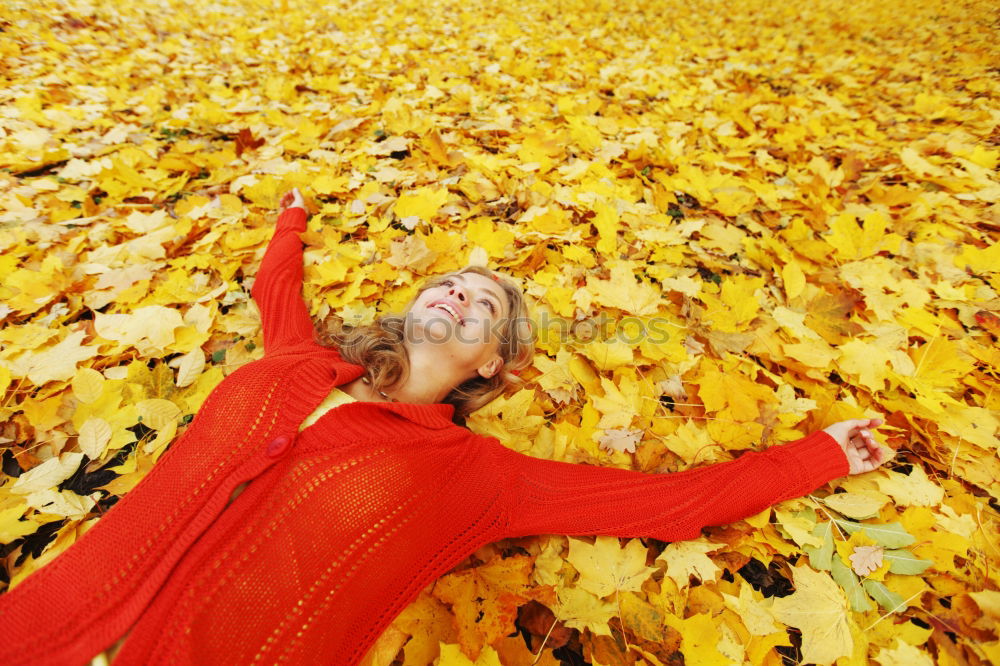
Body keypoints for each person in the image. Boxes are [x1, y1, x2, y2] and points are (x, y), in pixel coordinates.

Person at [0, 188, 888, 666]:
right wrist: (291, 219)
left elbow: (668, 503)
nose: (463, 290)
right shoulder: (304, 360)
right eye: (452, 283)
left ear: (493, 363)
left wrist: (822, 453)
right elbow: (278, 291)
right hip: (41, 624)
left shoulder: (477, 476)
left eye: (487, 303)